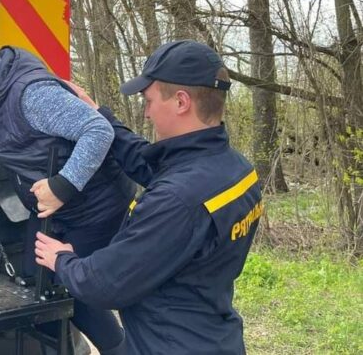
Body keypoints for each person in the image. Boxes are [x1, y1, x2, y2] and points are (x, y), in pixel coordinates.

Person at [34, 40, 263, 355]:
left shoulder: (178, 200)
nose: (146, 112)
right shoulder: (236, 170)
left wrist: (62, 260)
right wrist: (101, 118)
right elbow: (148, 162)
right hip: (213, 334)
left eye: (150, 100)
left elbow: (106, 284)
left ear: (181, 102)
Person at [0, 41, 134, 354]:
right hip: (52, 208)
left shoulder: (33, 96)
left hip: (95, 206)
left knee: (75, 285)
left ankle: (120, 349)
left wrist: (62, 187)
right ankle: (64, 346)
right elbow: (9, 144)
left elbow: (99, 131)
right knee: (35, 280)